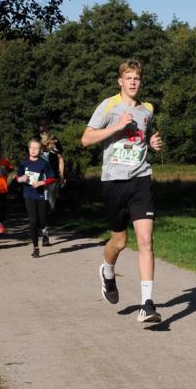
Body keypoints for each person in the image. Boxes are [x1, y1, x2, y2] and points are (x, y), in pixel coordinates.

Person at [81, 59, 163, 323]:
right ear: (120, 81)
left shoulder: (147, 109)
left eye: (137, 78)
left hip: (141, 178)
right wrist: (116, 127)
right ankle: (107, 270)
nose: (133, 82)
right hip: (114, 181)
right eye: (129, 78)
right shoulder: (109, 106)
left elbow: (147, 133)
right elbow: (86, 139)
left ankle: (147, 304)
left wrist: (153, 140)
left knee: (146, 240)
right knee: (119, 242)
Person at [16, 139, 56, 257]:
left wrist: (41, 183)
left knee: (42, 222)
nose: (33, 150)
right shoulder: (23, 164)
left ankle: (43, 230)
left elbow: (52, 178)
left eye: (36, 148)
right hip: (28, 194)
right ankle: (36, 248)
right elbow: (17, 178)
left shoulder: (44, 163)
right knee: (33, 221)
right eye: (31, 148)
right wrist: (21, 179)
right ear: (28, 149)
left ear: (40, 150)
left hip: (41, 195)